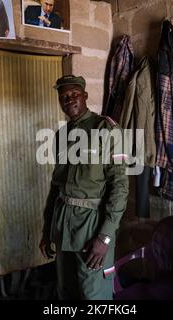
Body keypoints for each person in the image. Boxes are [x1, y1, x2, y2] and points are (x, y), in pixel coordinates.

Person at [39, 75, 128, 300]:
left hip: (92, 228)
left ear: (85, 96)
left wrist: (105, 237)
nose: (69, 100)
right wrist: (47, 229)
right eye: (64, 97)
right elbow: (56, 186)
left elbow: (120, 187)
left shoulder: (106, 129)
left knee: (93, 294)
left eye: (74, 95)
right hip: (63, 226)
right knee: (66, 292)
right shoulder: (61, 136)